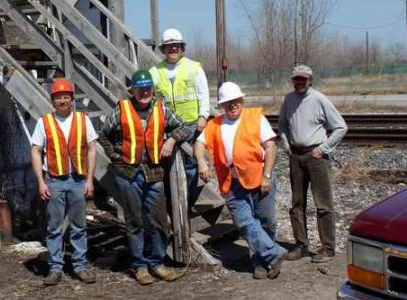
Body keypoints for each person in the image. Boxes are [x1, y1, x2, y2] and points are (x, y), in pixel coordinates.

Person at [99, 70, 189, 285]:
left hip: (153, 172)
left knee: (159, 220)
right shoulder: (121, 109)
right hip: (128, 174)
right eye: (141, 88)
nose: (145, 92)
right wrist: (114, 155)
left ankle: (156, 263)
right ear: (134, 90)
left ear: (152, 89)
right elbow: (103, 135)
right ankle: (139, 266)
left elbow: (183, 127)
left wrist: (171, 140)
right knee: (134, 221)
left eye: (148, 87)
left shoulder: (161, 109)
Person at [194, 82, 287, 280]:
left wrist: (267, 176)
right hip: (232, 182)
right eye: (228, 103)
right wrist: (201, 161)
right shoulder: (215, 124)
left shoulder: (255, 118)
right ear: (221, 105)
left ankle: (262, 262)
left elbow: (270, 147)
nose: (233, 105)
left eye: (236, 101)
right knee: (244, 222)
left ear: (241, 101)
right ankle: (274, 254)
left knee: (266, 222)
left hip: (260, 177)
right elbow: (199, 143)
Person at [31, 78, 97, 285]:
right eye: (58, 97)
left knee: (79, 225)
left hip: (78, 180)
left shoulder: (83, 120)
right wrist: (41, 182)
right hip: (54, 180)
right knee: (54, 226)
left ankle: (80, 266)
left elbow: (92, 149)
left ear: (72, 99)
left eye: (66, 97)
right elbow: (35, 151)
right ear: (53, 100)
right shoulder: (44, 122)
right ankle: (55, 268)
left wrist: (89, 180)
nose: (62, 101)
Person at [278, 65, 348, 263]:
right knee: (297, 204)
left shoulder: (319, 99)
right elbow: (282, 125)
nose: (299, 82)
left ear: (310, 80)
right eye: (296, 79)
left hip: (316, 158)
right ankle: (301, 246)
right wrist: (286, 144)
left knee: (323, 205)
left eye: (303, 79)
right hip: (296, 158)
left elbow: (341, 127)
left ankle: (327, 248)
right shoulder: (288, 99)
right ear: (292, 80)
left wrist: (323, 149)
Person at [149, 28, 210, 206]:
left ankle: (187, 202)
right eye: (169, 47)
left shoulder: (194, 68)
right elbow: (144, 88)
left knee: (191, 167)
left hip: (191, 125)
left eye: (176, 46)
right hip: (167, 127)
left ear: (182, 48)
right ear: (163, 50)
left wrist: (203, 116)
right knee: (167, 166)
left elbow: (203, 93)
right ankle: (171, 202)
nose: (173, 49)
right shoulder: (156, 71)